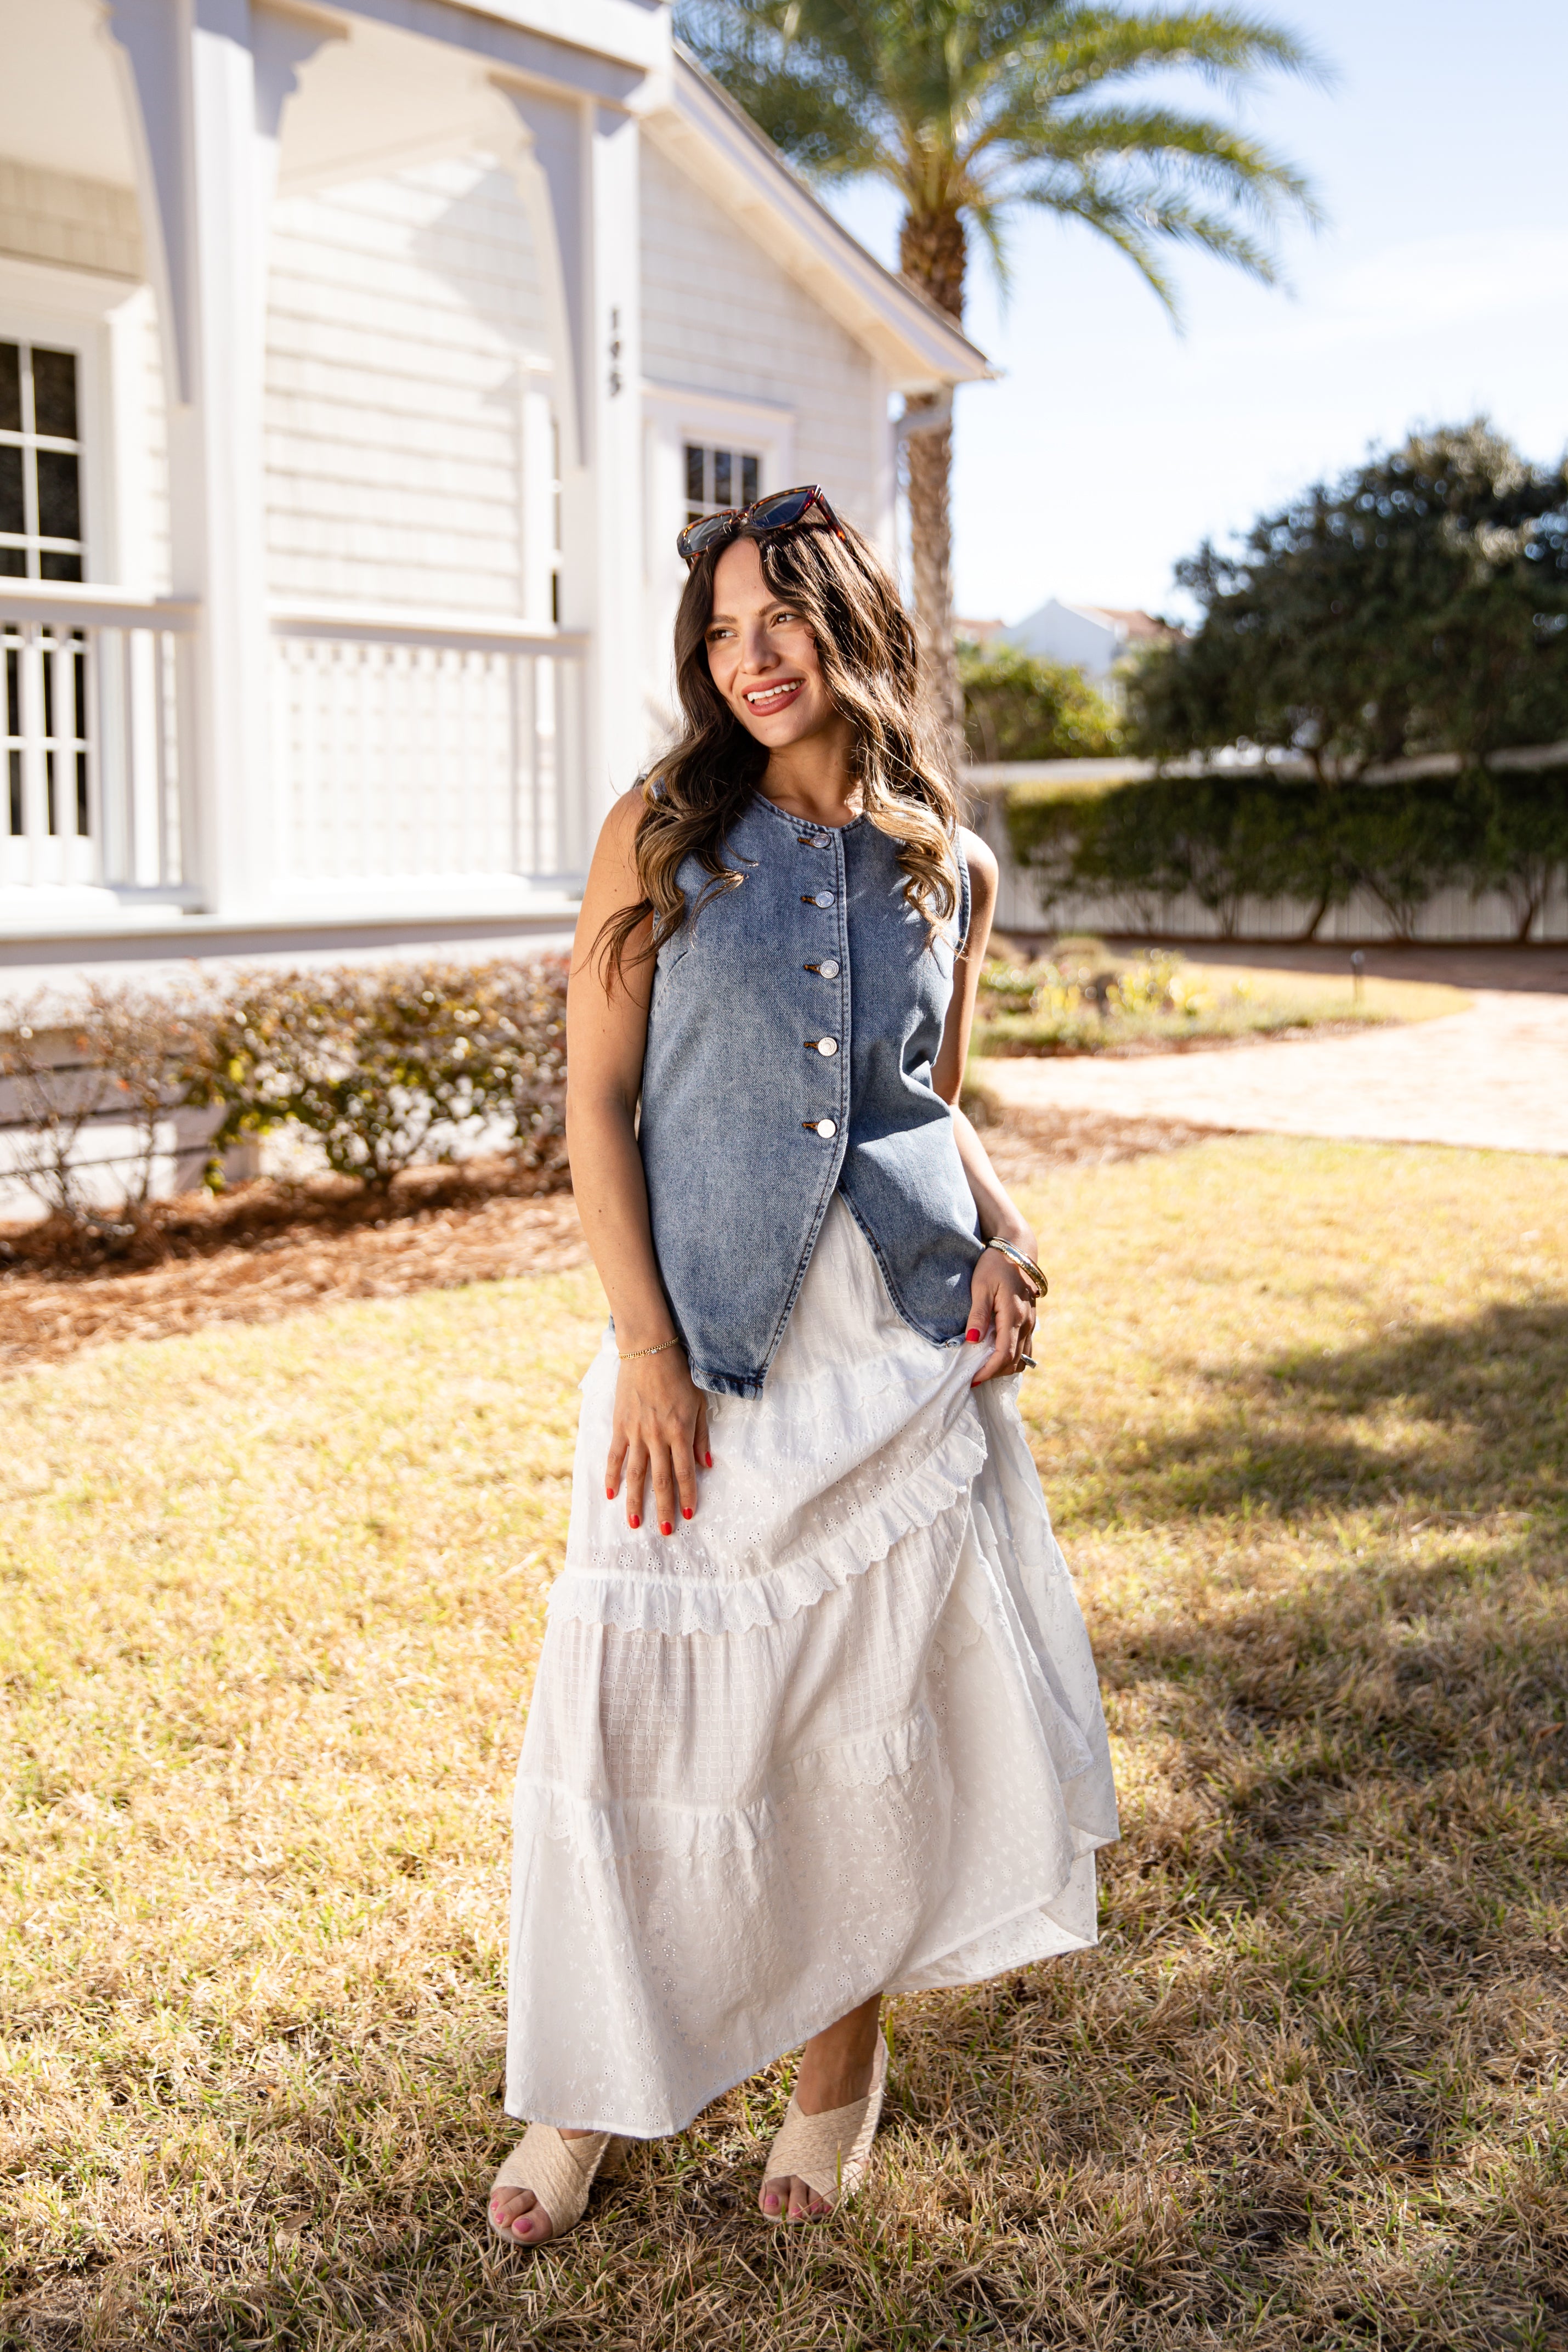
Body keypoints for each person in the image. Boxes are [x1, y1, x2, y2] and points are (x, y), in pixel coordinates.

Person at [488, 487, 1118, 2248]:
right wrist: (644, 1350)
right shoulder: (659, 832)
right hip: (704, 1350)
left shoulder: (946, 863)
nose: (749, 658)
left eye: (779, 619)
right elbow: (593, 1102)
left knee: (860, 1719)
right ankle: (583, 2088)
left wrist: (1006, 1238)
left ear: (850, 628)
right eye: (719, 631)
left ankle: (838, 2074)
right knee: (638, 1712)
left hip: (897, 1351)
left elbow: (926, 1104)